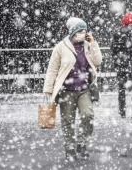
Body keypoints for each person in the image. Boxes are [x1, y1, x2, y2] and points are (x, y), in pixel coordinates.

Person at [43, 17, 102, 161]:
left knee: (88, 115)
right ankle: (70, 148)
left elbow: (98, 61)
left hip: (84, 89)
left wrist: (93, 43)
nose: (83, 33)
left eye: (85, 31)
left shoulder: (87, 45)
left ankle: (82, 143)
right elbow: (52, 70)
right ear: (73, 31)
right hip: (66, 90)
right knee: (68, 121)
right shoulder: (61, 47)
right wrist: (48, 90)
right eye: (80, 31)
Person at [111, 11, 132, 120]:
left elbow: (113, 49)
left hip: (121, 64)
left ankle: (122, 112)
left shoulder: (117, 33)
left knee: (121, 89)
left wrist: (117, 61)